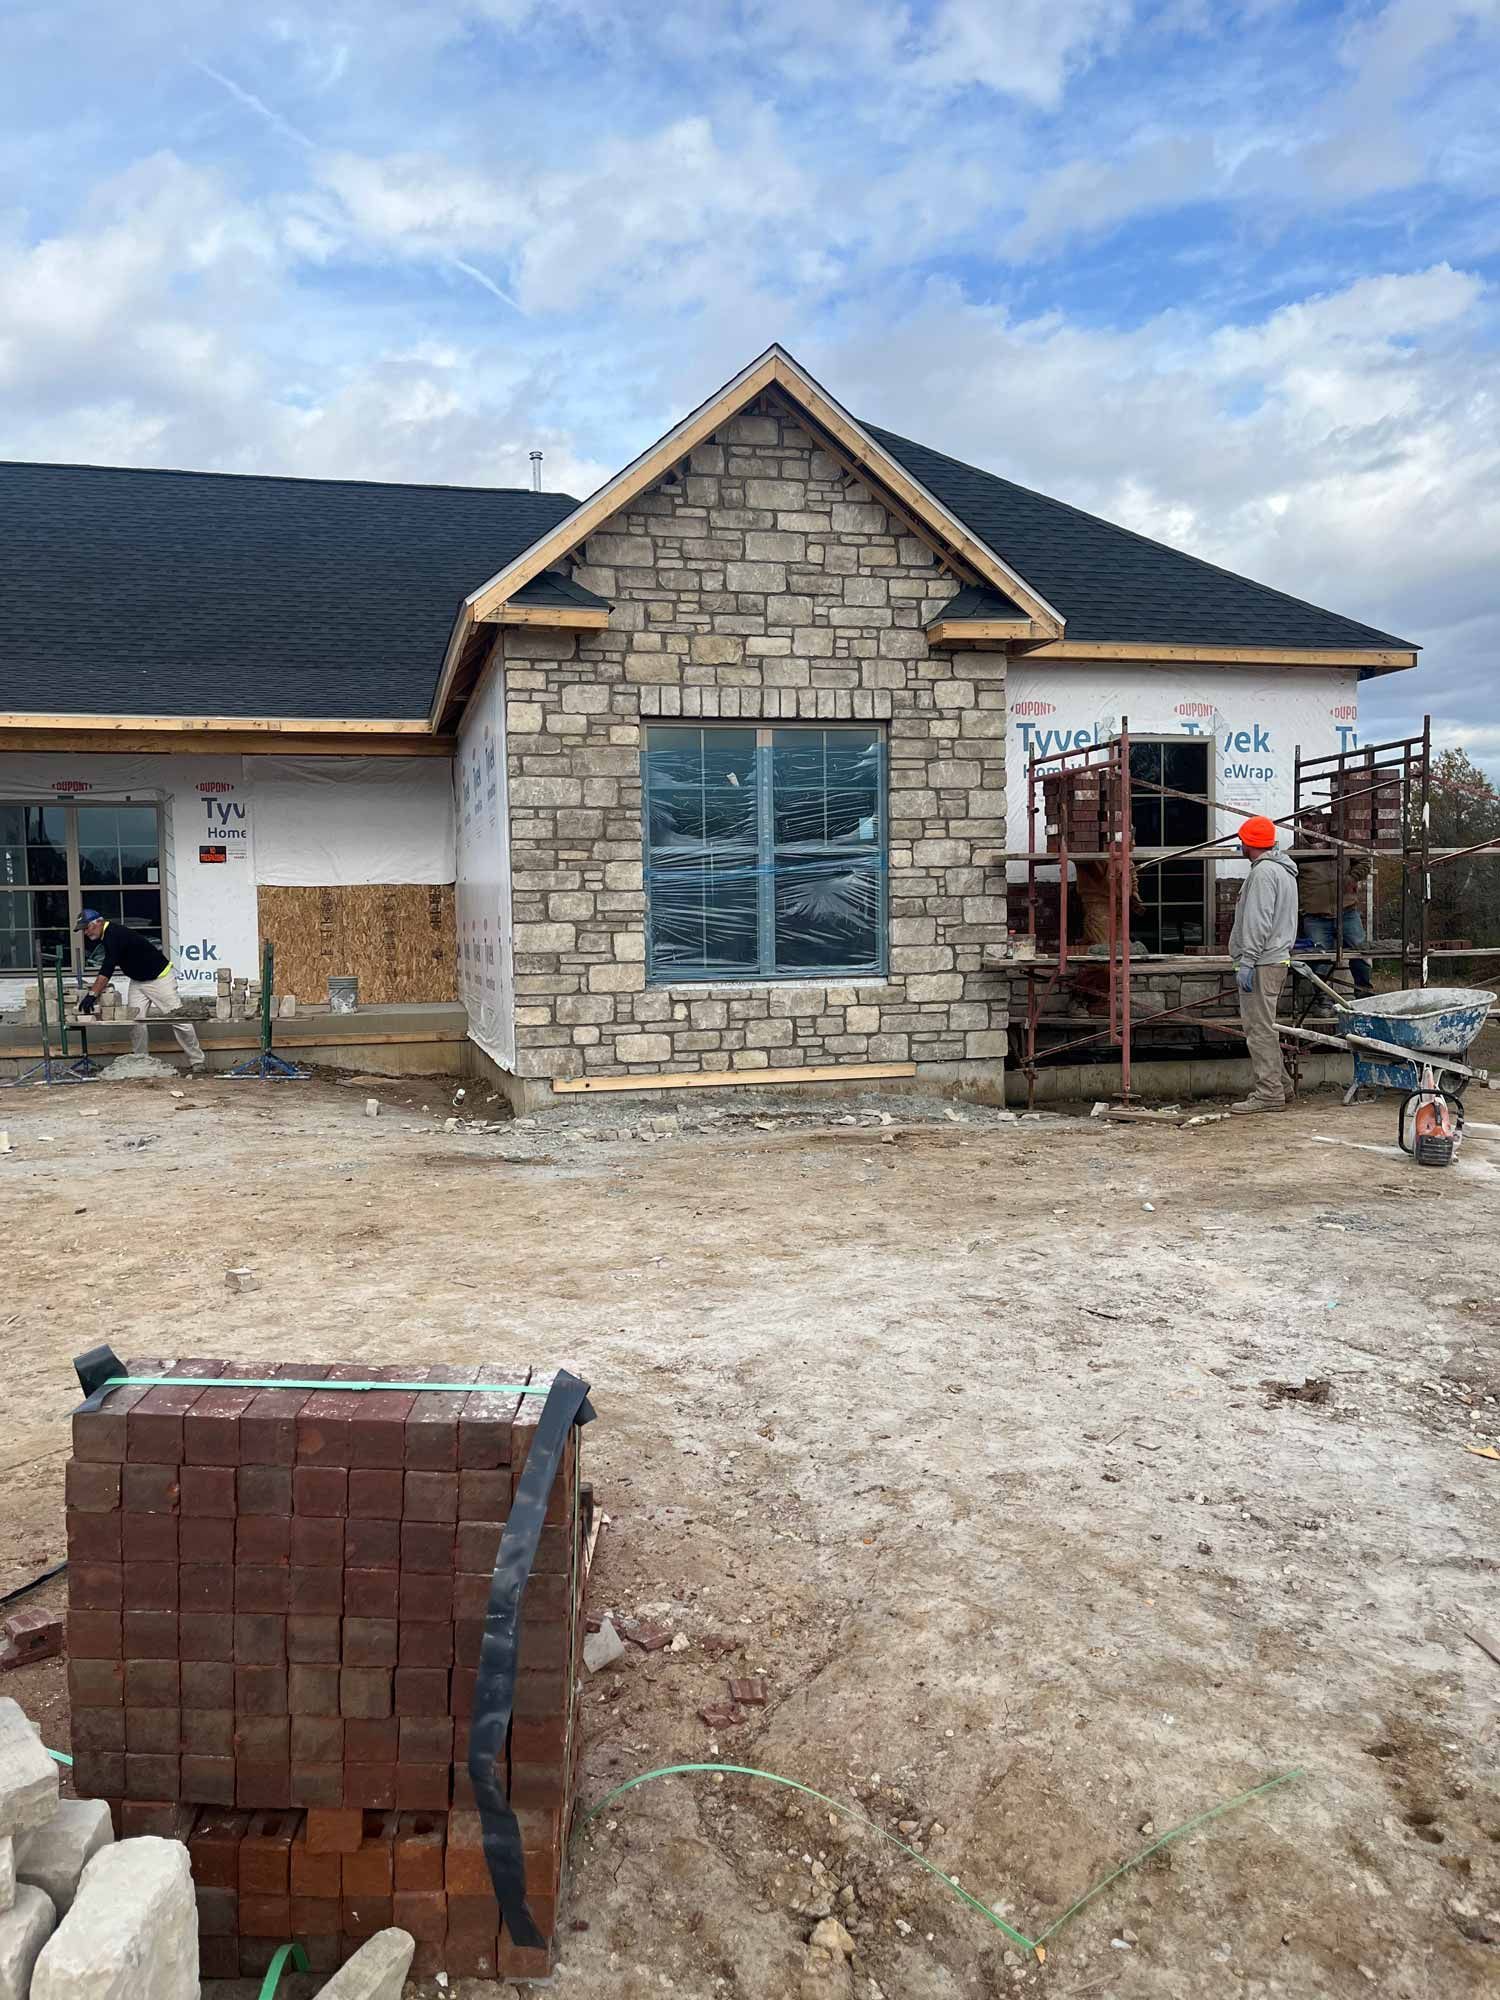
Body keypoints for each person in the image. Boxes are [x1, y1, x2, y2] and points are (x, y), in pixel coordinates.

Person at [1227, 817, 1298, 1115]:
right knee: (1265, 1027)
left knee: (1259, 1030)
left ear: (1250, 844)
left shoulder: (1264, 874)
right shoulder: (1283, 871)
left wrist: (1248, 960)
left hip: (1263, 962)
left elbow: (1258, 922)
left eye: (1243, 841)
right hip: (1274, 960)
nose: (1240, 845)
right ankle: (1281, 1085)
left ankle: (1269, 1093)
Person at [75, 909, 205, 1072]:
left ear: (98, 922)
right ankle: (141, 1061)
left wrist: (92, 995)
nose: (85, 932)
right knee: (135, 1022)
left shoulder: (114, 934)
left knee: (179, 1020)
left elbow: (107, 969)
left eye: (86, 928)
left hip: (160, 978)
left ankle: (197, 1061)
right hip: (138, 981)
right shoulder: (106, 935)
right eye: (83, 929)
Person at [1296, 846, 1374, 995]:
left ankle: (1364, 997)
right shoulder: (1298, 850)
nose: (1309, 824)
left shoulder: (1338, 844)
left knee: (1361, 955)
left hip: (1347, 911)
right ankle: (1323, 1001)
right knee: (1319, 960)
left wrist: (1351, 878)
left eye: (1313, 820)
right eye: (1305, 820)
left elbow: (1365, 861)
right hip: (1315, 916)